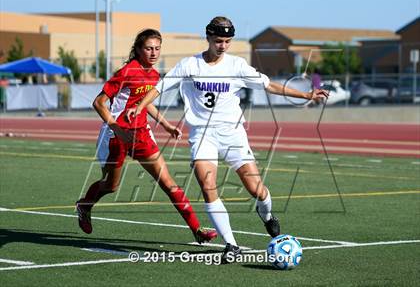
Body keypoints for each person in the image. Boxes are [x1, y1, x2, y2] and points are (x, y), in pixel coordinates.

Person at [126, 18, 328, 263]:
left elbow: (269, 85)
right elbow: (159, 87)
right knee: (207, 186)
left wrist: (306, 94)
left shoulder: (237, 65)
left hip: (232, 133)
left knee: (257, 190)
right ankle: (231, 245)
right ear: (208, 38)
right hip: (202, 134)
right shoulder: (190, 64)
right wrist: (140, 106)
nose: (223, 46)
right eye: (218, 41)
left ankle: (266, 215)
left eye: (227, 41)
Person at [75, 29, 217, 244]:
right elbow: (99, 103)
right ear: (139, 49)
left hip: (141, 134)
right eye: (149, 48)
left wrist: (166, 125)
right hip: (116, 136)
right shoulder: (126, 72)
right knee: (111, 186)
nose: (154, 53)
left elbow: (146, 102)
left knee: (169, 183)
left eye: (157, 48)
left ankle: (197, 230)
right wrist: (116, 127)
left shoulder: (153, 74)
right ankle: (84, 206)